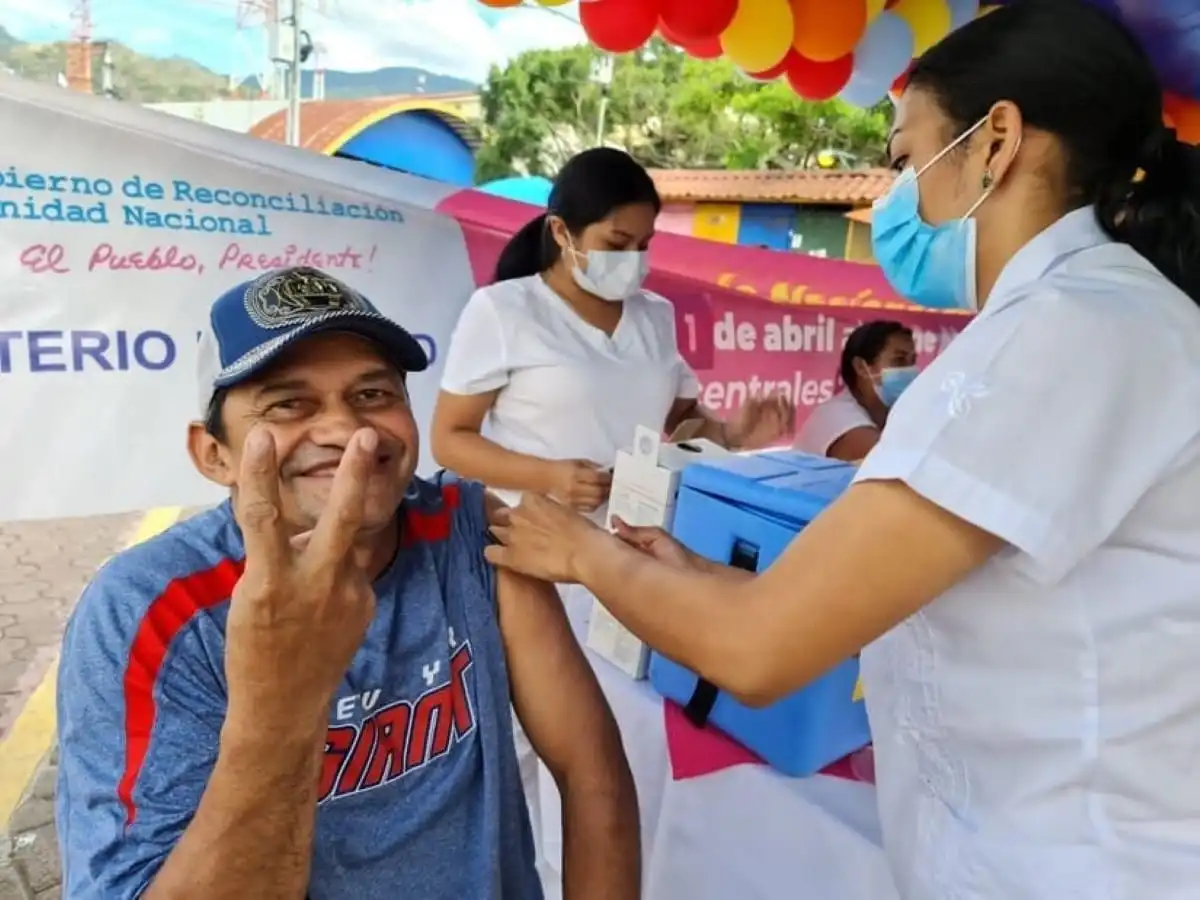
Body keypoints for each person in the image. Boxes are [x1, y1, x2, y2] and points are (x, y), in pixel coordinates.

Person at [482, 2, 1200, 898]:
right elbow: (867, 597)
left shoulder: (1065, 331)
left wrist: (581, 553)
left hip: (1082, 858)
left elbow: (761, 650)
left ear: (996, 140)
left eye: (906, 160)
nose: (895, 200)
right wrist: (690, 574)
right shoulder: (1091, 315)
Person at [54, 267, 639, 900]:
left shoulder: (464, 532)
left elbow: (591, 773)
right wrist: (281, 704)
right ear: (213, 454)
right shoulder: (152, 614)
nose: (351, 433)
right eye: (288, 404)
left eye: (372, 394)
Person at [432, 146, 793, 534]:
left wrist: (729, 434)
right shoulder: (502, 310)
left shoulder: (655, 315)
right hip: (535, 543)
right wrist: (549, 476)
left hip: (633, 545)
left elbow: (683, 421)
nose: (632, 259)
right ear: (561, 231)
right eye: (616, 244)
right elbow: (451, 439)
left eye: (642, 245)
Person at [792, 320, 917, 460]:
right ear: (861, 367)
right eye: (899, 360)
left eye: (912, 361)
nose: (911, 370)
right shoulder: (836, 415)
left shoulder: (888, 413)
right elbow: (895, 460)